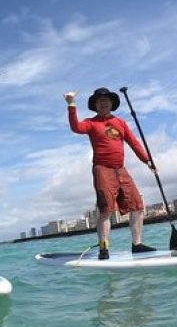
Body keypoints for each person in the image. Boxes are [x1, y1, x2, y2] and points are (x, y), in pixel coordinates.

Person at [65, 87, 157, 260]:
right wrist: (71, 104)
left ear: (112, 103)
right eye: (100, 101)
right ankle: (104, 248)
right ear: (96, 105)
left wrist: (147, 161)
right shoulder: (91, 123)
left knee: (137, 205)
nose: (104, 103)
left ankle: (137, 245)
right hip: (102, 168)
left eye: (106, 100)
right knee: (106, 209)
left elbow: (134, 143)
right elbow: (76, 127)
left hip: (120, 169)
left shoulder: (121, 123)